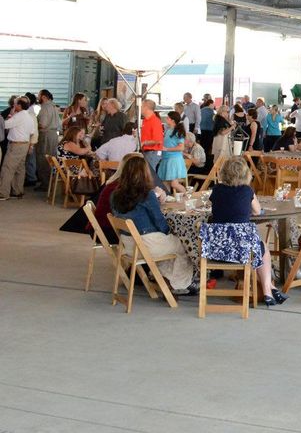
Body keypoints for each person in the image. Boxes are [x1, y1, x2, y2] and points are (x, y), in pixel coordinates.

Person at [207, 157, 287, 307]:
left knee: (258, 246)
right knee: (262, 247)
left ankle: (270, 290)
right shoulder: (247, 191)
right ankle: (268, 290)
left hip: (217, 250)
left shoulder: (217, 190)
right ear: (246, 174)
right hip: (241, 252)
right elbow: (257, 211)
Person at [110, 156, 194, 294]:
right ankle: (178, 284)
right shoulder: (146, 194)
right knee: (185, 245)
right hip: (146, 245)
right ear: (144, 173)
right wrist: (170, 232)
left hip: (128, 246)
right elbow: (160, 222)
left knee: (169, 245)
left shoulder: (115, 195)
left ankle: (163, 278)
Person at [0, 96, 37, 200]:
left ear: (20, 105)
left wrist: (10, 115)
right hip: (24, 144)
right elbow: (31, 132)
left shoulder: (19, 116)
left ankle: (3, 193)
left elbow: (5, 125)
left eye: (15, 104)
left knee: (7, 168)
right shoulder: (29, 116)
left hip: (16, 145)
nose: (13, 106)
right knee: (20, 169)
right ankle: (17, 191)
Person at [157, 111, 188, 195]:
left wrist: (166, 149)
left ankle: (187, 195)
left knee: (174, 184)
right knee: (164, 183)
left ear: (173, 120)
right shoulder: (168, 131)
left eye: (168, 118)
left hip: (173, 160)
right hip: (166, 159)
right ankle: (167, 201)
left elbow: (181, 147)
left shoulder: (177, 131)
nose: (166, 119)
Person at [36, 89, 60, 189]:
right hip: (54, 134)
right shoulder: (54, 106)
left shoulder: (45, 107)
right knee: (51, 158)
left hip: (45, 135)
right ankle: (50, 182)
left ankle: (45, 183)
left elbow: (43, 124)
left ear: (44, 97)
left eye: (39, 96)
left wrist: (35, 125)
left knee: (44, 158)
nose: (37, 98)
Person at [140, 100, 165, 175]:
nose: (140, 108)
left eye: (141, 106)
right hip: (146, 151)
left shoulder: (155, 121)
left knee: (150, 175)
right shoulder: (145, 120)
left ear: (146, 107)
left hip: (153, 152)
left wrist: (144, 142)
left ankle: (153, 187)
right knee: (146, 174)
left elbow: (158, 140)